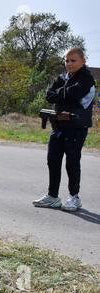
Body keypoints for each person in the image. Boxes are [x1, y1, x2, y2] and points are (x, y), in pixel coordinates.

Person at [33, 48, 95, 212]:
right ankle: (53, 197)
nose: (69, 64)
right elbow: (49, 95)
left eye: (73, 60)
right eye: (67, 60)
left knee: (72, 163)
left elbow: (74, 94)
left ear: (83, 61)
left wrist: (60, 94)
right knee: (53, 160)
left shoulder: (87, 78)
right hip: (58, 126)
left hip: (76, 127)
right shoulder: (63, 77)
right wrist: (63, 94)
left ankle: (74, 197)